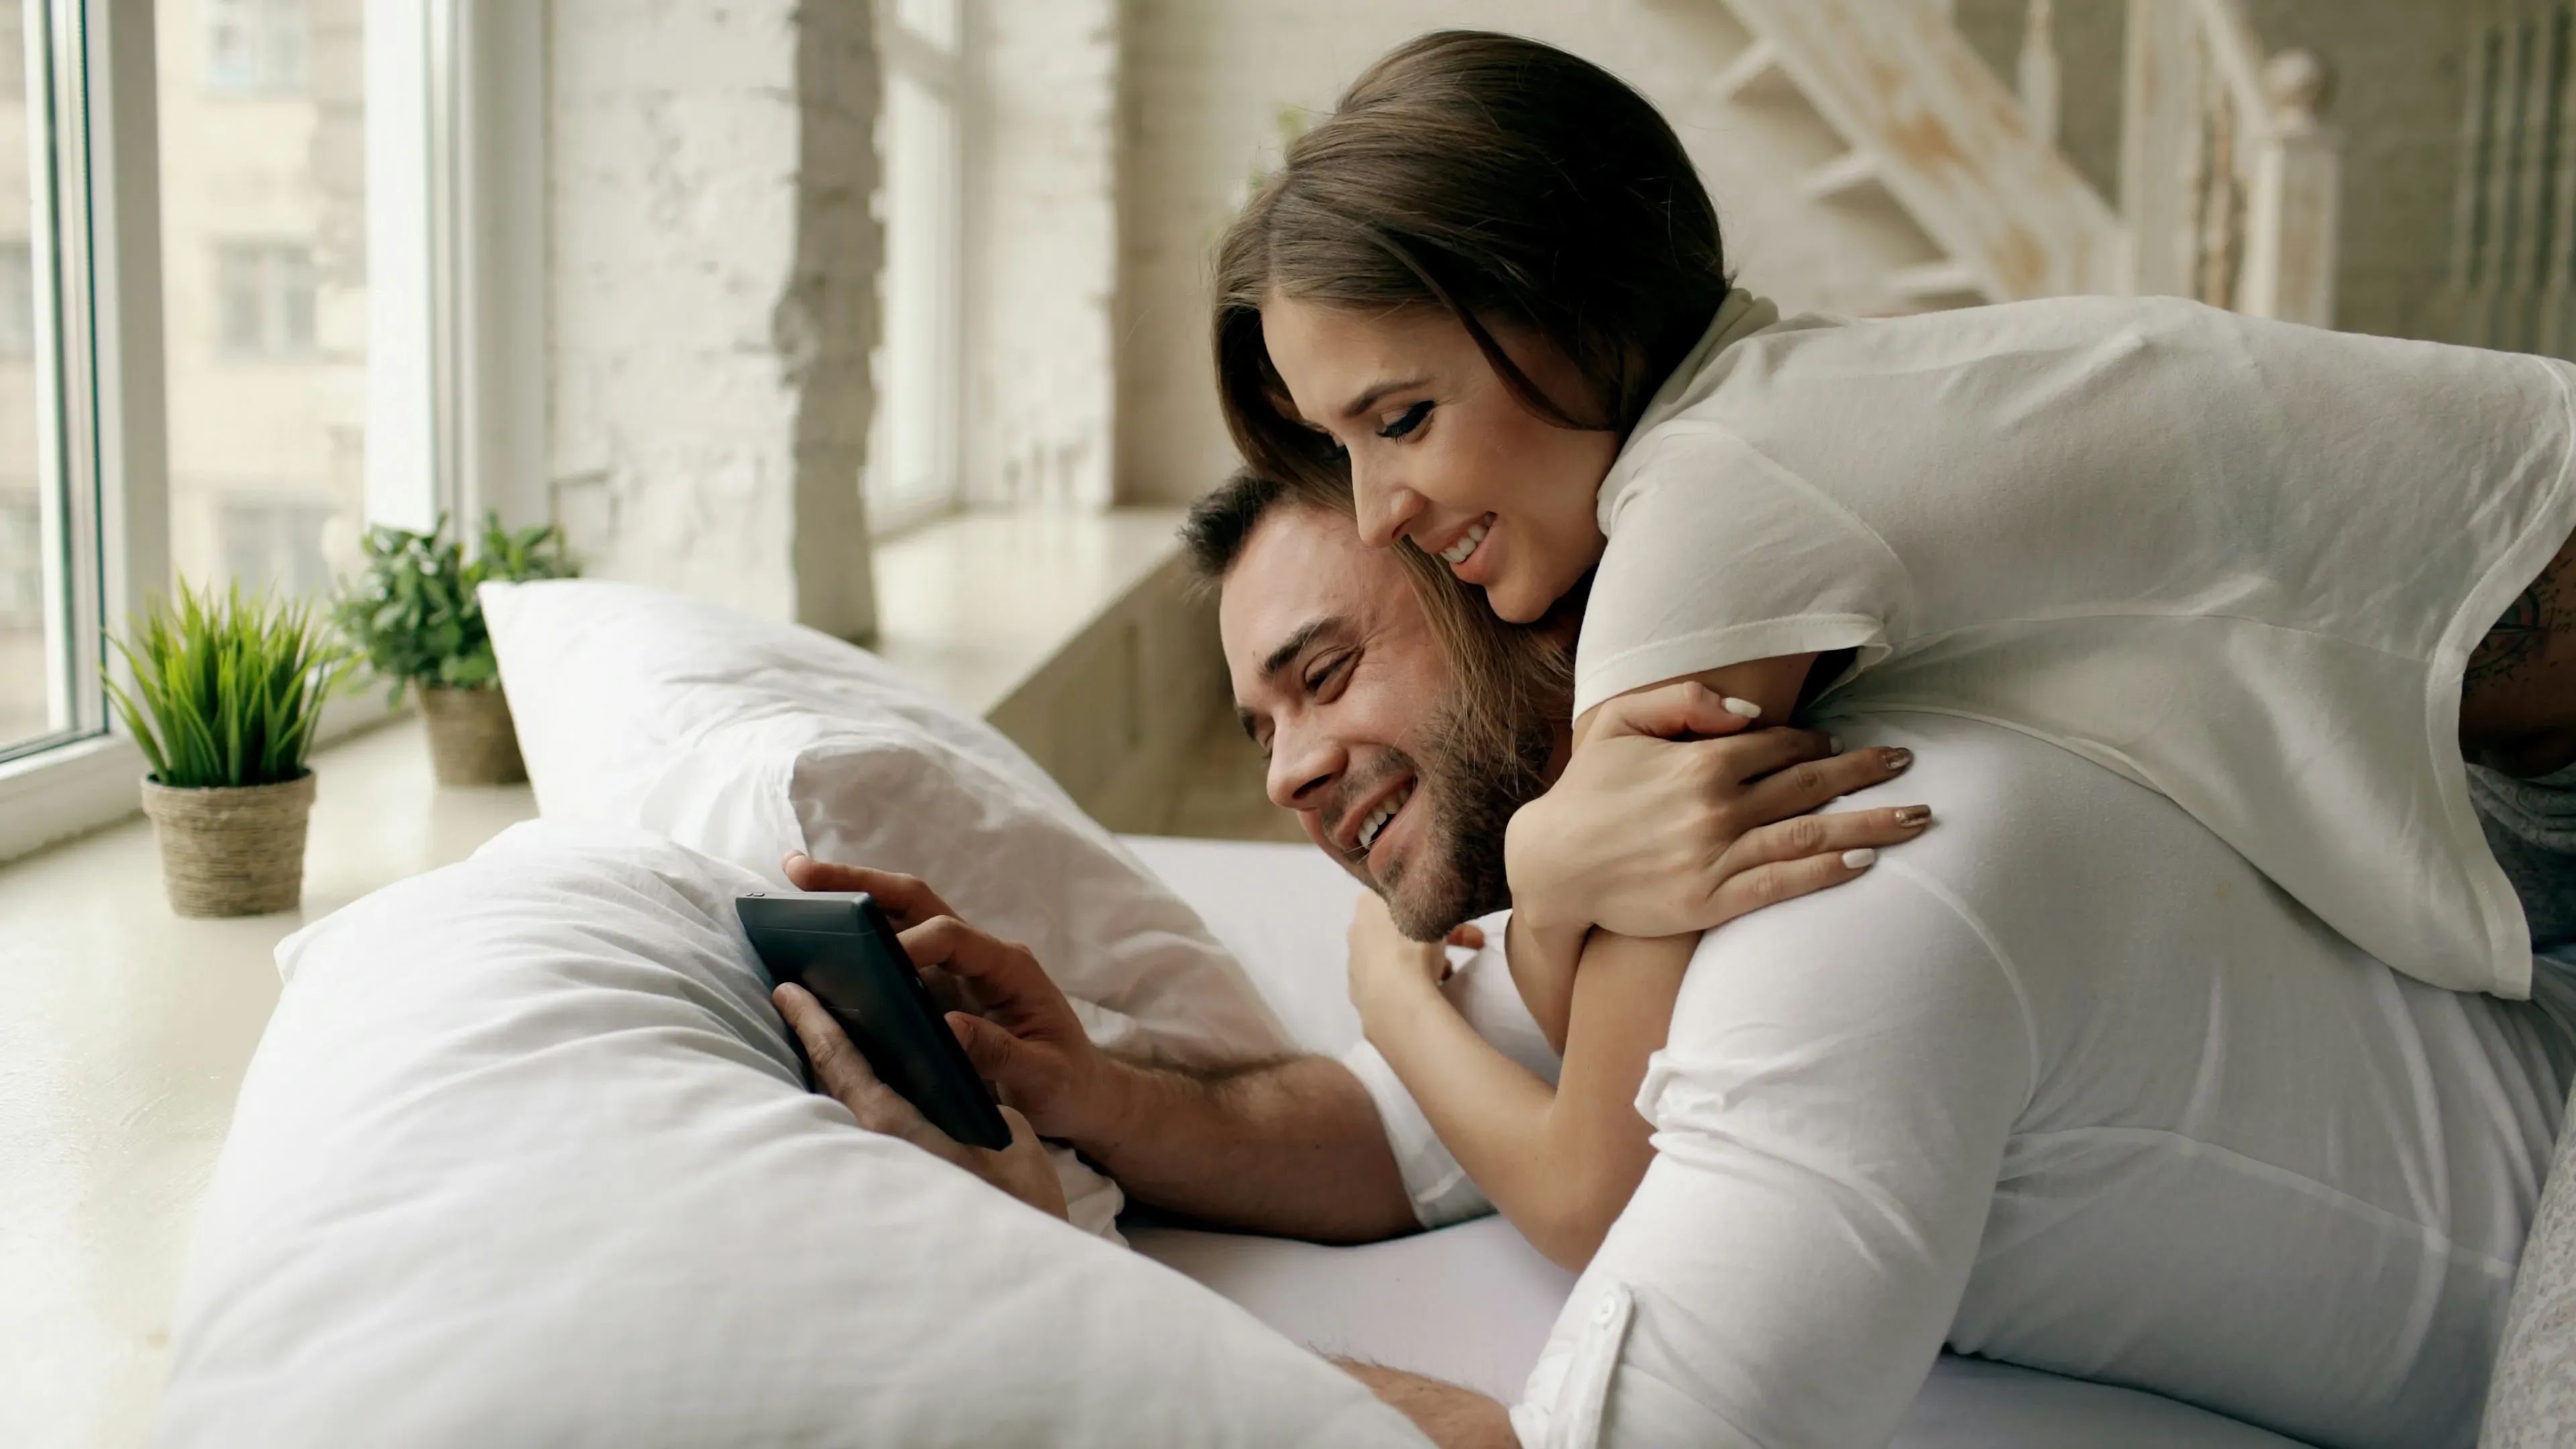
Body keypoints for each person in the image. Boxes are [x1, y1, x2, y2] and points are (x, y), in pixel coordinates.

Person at [771, 472, 2576, 1449]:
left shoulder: (1848, 884)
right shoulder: (1632, 887)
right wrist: (1076, 1085)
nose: (1290, 772)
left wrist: (1043, 1273)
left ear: (1505, 592)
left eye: (1325, 677)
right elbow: (1375, 1144)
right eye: (1257, 725)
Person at [1211, 29, 2576, 1041]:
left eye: (1400, 418)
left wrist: (1434, 976)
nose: (1379, 512)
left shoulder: (1720, 502)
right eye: (1343, 446)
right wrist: (1561, 871)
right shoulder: (1782, 406)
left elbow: (1599, 1169)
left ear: (1565, 310)